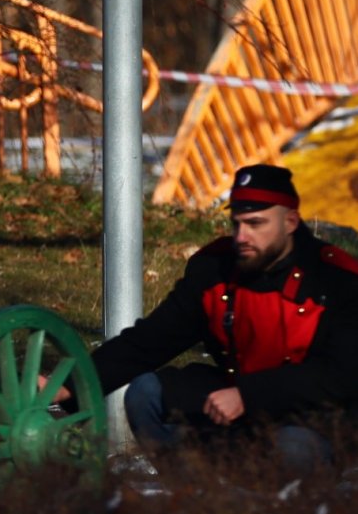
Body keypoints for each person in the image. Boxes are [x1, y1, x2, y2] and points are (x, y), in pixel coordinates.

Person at [53, 164, 358, 474]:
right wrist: (72, 385)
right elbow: (150, 341)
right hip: (233, 403)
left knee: (294, 449)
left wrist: (249, 396)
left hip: (312, 417)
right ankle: (193, 496)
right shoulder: (215, 270)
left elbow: (341, 377)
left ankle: (284, 512)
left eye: (255, 224)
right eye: (236, 224)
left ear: (290, 221)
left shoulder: (336, 279)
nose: (242, 237)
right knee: (145, 393)